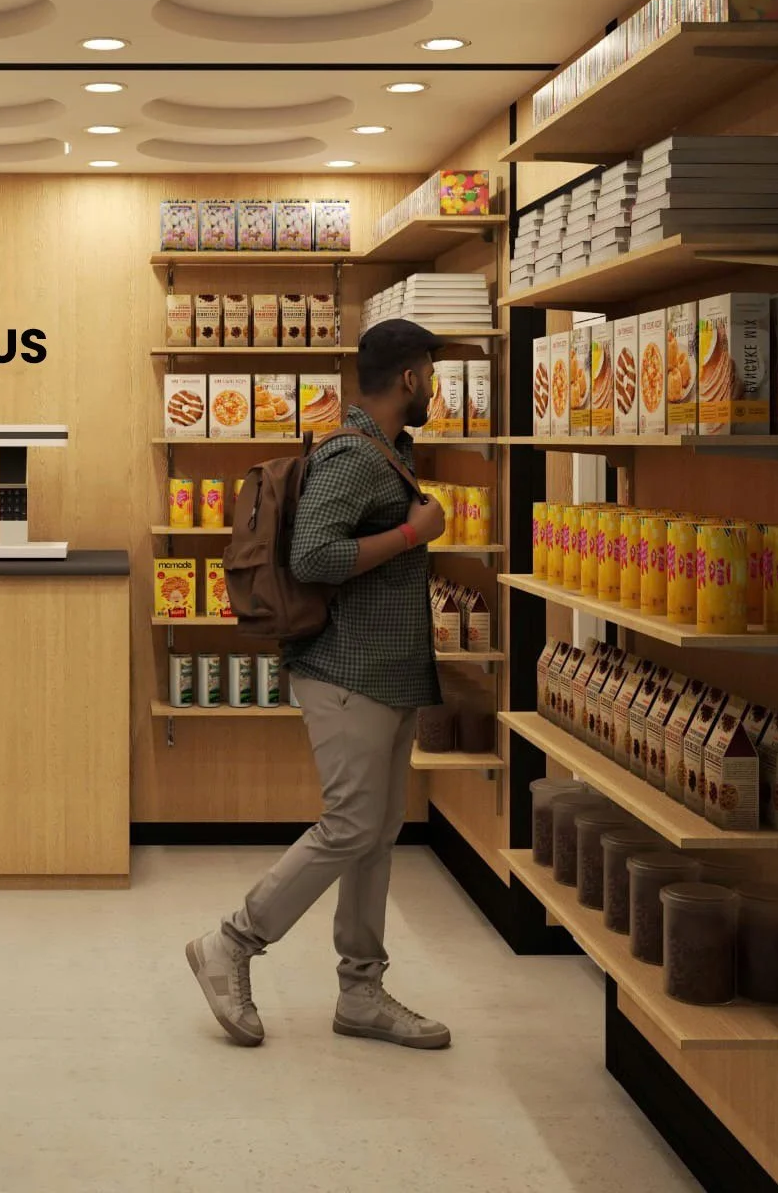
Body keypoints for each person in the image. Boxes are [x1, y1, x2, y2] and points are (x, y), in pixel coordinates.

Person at [186, 318, 450, 1050]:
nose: (434, 384)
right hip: (346, 673)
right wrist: (411, 535)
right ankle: (231, 944)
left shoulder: (390, 452)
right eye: (430, 370)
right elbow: (313, 557)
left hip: (386, 675)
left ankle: (361, 991)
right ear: (408, 378)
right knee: (350, 827)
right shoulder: (355, 455)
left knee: (375, 834)